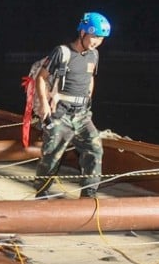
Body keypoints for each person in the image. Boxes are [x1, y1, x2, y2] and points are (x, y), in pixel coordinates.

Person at [33, 12, 111, 199]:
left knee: (94, 149)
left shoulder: (94, 55)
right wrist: (44, 104)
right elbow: (41, 78)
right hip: (61, 114)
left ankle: (88, 196)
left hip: (83, 115)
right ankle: (41, 193)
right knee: (52, 156)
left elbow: (90, 77)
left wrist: (88, 99)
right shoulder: (62, 52)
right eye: (93, 36)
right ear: (82, 33)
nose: (96, 41)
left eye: (100, 38)